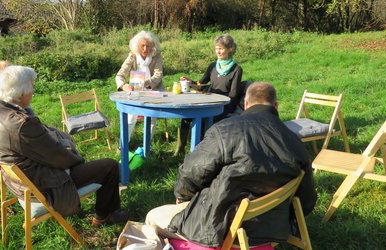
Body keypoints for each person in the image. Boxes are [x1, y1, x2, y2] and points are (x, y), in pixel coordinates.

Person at [145, 82, 317, 248]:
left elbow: (193, 171)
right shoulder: (295, 140)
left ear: (246, 104)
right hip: (273, 229)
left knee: (152, 217)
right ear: (276, 105)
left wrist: (183, 195)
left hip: (221, 228)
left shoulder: (225, 129)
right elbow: (306, 201)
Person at [0, 66, 127, 226]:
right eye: (31, 87)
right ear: (21, 94)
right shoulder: (23, 125)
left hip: (18, 183)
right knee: (110, 166)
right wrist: (78, 158)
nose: (33, 91)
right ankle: (104, 216)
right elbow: (59, 157)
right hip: (45, 185)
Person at [175, 34, 243, 156]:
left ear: (230, 49)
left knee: (202, 117)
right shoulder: (213, 66)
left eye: (221, 48)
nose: (218, 51)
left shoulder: (236, 69)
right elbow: (201, 84)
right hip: (208, 101)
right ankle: (180, 150)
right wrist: (190, 82)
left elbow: (233, 95)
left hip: (224, 105)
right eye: (217, 48)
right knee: (186, 116)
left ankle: (200, 151)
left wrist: (215, 98)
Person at [115, 30, 164, 141]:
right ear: (137, 46)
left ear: (152, 46)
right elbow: (120, 75)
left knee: (151, 117)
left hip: (153, 90)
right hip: (135, 91)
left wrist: (146, 82)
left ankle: (146, 146)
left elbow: (158, 75)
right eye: (142, 46)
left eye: (148, 46)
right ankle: (123, 144)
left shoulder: (156, 56)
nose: (145, 49)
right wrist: (123, 86)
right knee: (130, 117)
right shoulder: (132, 56)